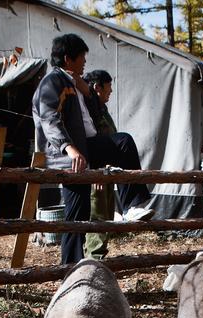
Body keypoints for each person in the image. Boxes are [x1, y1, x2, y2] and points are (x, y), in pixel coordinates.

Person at [32, 34, 154, 265]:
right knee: (76, 215)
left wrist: (87, 93)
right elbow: (49, 119)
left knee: (123, 143)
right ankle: (69, 268)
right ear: (68, 59)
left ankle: (132, 206)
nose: (85, 62)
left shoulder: (74, 83)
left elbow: (94, 117)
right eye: (82, 57)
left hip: (87, 148)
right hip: (69, 157)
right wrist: (69, 148)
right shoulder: (53, 83)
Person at [83, 69, 116, 260]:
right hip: (97, 172)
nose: (110, 92)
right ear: (97, 87)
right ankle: (94, 258)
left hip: (106, 170)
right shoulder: (89, 110)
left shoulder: (101, 108)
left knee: (106, 215)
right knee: (97, 215)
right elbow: (90, 141)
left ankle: (98, 256)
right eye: (108, 88)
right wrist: (95, 170)